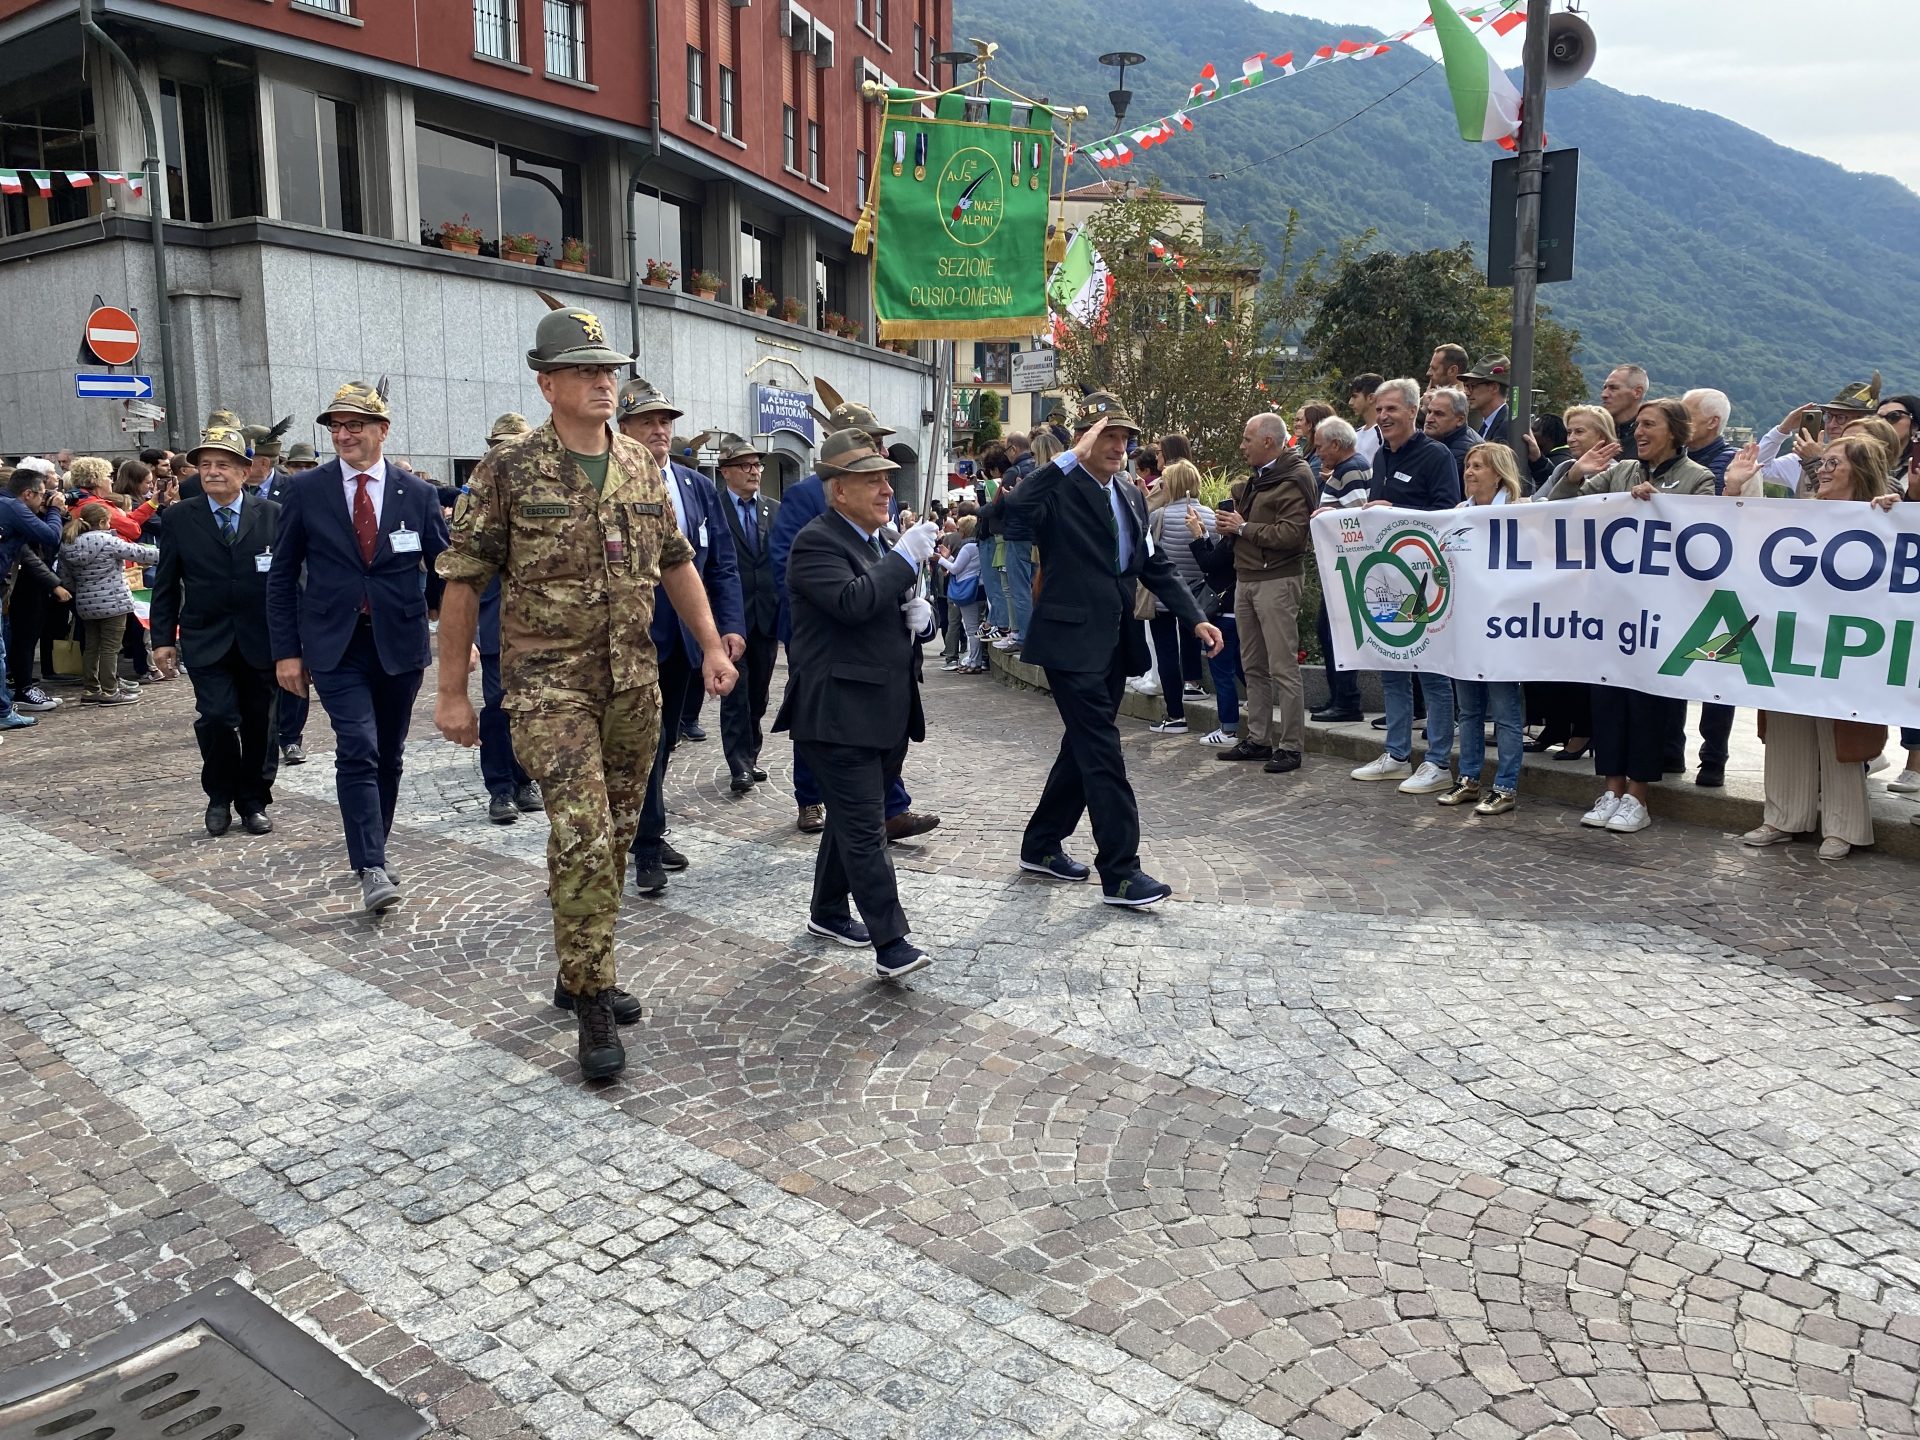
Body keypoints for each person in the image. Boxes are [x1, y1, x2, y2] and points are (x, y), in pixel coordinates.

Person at [434, 301, 733, 1081]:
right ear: (547, 384)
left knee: (620, 834)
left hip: (633, 684)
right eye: (585, 371)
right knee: (584, 832)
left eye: (608, 370)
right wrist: (452, 692)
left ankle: (580, 965)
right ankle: (594, 998)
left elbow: (675, 562)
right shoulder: (508, 469)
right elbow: (463, 581)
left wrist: (710, 644)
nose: (604, 382)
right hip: (548, 687)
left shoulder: (638, 463)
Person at [1000, 393, 1223, 907]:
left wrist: (1195, 617)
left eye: (1125, 438)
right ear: (1083, 439)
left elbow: (1151, 563)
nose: (1120, 446)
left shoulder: (1128, 491)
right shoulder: (1057, 484)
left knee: (1082, 748)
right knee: (1101, 750)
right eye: (1108, 436)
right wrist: (1067, 459)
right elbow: (1013, 513)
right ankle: (1121, 872)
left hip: (1113, 640)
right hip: (1069, 642)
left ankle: (1041, 844)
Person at [267, 378, 449, 915]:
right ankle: (369, 864)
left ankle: (377, 848)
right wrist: (287, 651)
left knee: (389, 753)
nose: (344, 435)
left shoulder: (417, 494)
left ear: (381, 430)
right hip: (334, 643)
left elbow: (443, 568)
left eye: (355, 425)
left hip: (398, 643)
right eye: (336, 427)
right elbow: (281, 577)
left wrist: (446, 621)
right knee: (358, 746)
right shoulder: (306, 490)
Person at [775, 429, 938, 979]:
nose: (887, 489)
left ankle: (827, 911)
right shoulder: (816, 542)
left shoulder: (879, 540)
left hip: (885, 711)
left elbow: (886, 607)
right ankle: (892, 944)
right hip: (838, 714)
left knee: (850, 821)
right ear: (839, 490)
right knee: (867, 829)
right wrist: (905, 559)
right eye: (872, 481)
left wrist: (921, 620)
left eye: (888, 479)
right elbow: (852, 602)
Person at [769, 393, 938, 839]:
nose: (877, 451)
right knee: (832, 740)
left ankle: (890, 808)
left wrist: (921, 615)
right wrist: (808, 627)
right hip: (828, 640)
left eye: (879, 441)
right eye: (868, 442)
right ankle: (812, 799)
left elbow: (891, 573)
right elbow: (796, 566)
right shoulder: (810, 499)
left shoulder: (879, 505)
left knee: (861, 800)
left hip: (881, 664)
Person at [613, 377, 745, 896]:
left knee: (664, 738)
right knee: (639, 739)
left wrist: (726, 628)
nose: (659, 430)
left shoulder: (695, 486)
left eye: (665, 421)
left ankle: (641, 826)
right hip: (627, 637)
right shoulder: (610, 479)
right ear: (623, 427)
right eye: (647, 421)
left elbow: (722, 564)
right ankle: (646, 842)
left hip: (684, 637)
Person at [1740, 434, 1896, 860]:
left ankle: (1844, 827)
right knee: (1786, 725)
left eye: (1833, 463)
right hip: (1794, 637)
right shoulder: (1800, 515)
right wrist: (1736, 488)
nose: (1822, 470)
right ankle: (1782, 817)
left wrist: (1895, 513)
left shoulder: (1884, 517)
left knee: (1839, 732)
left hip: (1847, 643)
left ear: (1859, 471)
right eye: (1822, 463)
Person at [1562, 398, 1713, 835]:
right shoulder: (1622, 471)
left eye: (1650, 425)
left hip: (1661, 612)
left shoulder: (1698, 477)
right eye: (1638, 425)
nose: (1640, 433)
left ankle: (1638, 796)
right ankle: (1611, 789)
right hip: (1611, 607)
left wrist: (1662, 508)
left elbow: (1707, 536)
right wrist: (1575, 475)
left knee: (1647, 701)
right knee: (1607, 697)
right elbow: (1561, 507)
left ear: (1675, 432)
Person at [149, 422, 282, 836]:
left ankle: (254, 800)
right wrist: (162, 639)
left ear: (245, 471)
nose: (212, 472)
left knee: (260, 722)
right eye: (205, 465)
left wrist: (295, 639)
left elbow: (292, 582)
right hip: (206, 637)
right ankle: (219, 796)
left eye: (222, 465)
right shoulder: (179, 517)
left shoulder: (272, 515)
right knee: (217, 717)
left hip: (261, 638)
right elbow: (166, 582)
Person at [1350, 377, 1463, 788]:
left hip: (1425, 583)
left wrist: (1393, 510)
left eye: (1392, 409)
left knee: (1432, 673)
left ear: (1413, 411)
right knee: (1391, 670)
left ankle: (1437, 762)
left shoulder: (1436, 456)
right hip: (1388, 578)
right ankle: (1397, 754)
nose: (1383, 416)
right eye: (1379, 409)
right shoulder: (1380, 456)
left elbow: (1447, 514)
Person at [1210, 412, 1313, 774]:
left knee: (1283, 666)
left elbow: (1293, 535)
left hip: (1277, 579)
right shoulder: (1259, 478)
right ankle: (1258, 739)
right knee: (1252, 665)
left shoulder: (1295, 477)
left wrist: (1243, 528)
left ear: (1268, 441)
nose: (1242, 446)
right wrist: (1232, 527)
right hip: (1247, 576)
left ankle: (1291, 746)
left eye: (1247, 439)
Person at [1440, 444, 1526, 816]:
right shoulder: (1459, 513)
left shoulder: (1520, 512)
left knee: (1505, 712)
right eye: (1468, 465)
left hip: (1503, 629)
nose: (1469, 472)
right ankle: (1469, 779)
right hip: (1466, 628)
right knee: (1470, 711)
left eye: (1478, 466)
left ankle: (1505, 787)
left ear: (1498, 474)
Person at [473, 413, 542, 824]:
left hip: (537, 628)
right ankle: (500, 788)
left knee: (533, 709)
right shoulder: (479, 499)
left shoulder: (543, 496)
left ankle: (526, 779)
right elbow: (463, 576)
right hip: (494, 626)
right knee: (498, 706)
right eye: (501, 446)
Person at [715, 434, 780, 793]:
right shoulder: (714, 508)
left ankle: (751, 755)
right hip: (730, 619)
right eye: (745, 465)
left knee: (758, 694)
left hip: (766, 616)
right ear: (725, 471)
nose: (754, 471)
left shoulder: (774, 509)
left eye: (757, 465)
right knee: (735, 694)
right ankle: (738, 764)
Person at [61, 501, 158, 706]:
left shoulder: (68, 544)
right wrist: (170, 553)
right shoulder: (107, 541)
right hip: (114, 602)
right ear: (102, 522)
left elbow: (66, 579)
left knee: (91, 647)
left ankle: (91, 689)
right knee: (110, 648)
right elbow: (139, 553)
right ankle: (109, 690)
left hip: (86, 604)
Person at [1143, 460, 1215, 735]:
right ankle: (1193, 684)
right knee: (1191, 642)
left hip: (1164, 596)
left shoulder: (1158, 516)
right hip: (1196, 597)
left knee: (1167, 654)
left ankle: (1175, 715)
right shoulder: (1209, 515)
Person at [1308, 416, 1370, 724]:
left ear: (1336, 444)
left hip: (1347, 567)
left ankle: (1346, 700)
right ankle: (1339, 697)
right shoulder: (1346, 469)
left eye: (1320, 446)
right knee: (1328, 630)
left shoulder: (1351, 470)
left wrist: (1328, 515)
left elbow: (1359, 515)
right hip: (1341, 566)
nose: (1317, 452)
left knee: (1334, 632)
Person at [0, 464, 67, 736]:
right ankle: (4, 711)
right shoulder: (13, 507)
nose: (43, 499)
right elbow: (51, 537)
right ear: (27, 494)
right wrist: (55, 511)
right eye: (41, 495)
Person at [1183, 499, 1242, 746]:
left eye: (1221, 517)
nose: (1218, 521)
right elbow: (1215, 562)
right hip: (1237, 614)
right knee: (1242, 668)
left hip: (1223, 615)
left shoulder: (1231, 544)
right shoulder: (1237, 542)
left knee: (1222, 673)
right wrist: (1205, 534)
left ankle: (1228, 729)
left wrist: (1197, 536)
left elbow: (1208, 564)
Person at [936, 515, 986, 672]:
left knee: (972, 629)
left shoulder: (968, 547)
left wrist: (940, 559)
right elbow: (965, 566)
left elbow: (956, 569)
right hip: (980, 588)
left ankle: (974, 662)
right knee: (977, 626)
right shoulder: (980, 546)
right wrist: (949, 557)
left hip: (967, 590)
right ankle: (975, 660)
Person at [1681, 388, 1736, 491]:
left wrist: (1735, 487)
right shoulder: (1670, 458)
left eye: (1686, 416)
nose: (1678, 422)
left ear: (1713, 422)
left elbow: (1750, 501)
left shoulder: (1739, 464)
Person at [1422, 386, 1474, 478]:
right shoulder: (1435, 439)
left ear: (1460, 420)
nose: (1429, 419)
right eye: (1429, 412)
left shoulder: (1466, 454)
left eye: (1439, 414)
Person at [1599, 363, 1649, 461]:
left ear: (1637, 392)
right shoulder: (1596, 430)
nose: (1604, 395)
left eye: (1613, 388)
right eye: (1605, 388)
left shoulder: (1650, 437)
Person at [242, 417, 294, 499]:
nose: (235, 464)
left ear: (264, 463)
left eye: (243, 459)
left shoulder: (292, 491)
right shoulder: (229, 485)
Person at [1461, 355, 1511, 439]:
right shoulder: (1488, 424)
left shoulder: (1508, 427)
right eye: (1465, 386)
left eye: (1472, 386)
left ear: (1494, 388)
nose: (1467, 392)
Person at [1347, 373, 1384, 466]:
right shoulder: (1355, 433)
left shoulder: (1384, 433)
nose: (1350, 402)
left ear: (1371, 398)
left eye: (1355, 396)